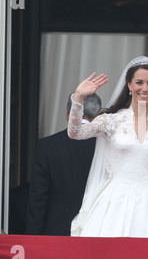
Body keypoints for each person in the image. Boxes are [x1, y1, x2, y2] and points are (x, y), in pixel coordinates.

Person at [68, 56, 148, 238]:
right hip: (115, 202)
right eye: (139, 82)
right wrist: (78, 97)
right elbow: (75, 132)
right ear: (129, 85)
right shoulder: (111, 120)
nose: (145, 88)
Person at [26, 93, 102, 236]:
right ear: (98, 115)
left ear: (68, 114)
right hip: (96, 232)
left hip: (56, 233)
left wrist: (32, 239)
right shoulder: (106, 147)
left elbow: (38, 199)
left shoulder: (47, 146)